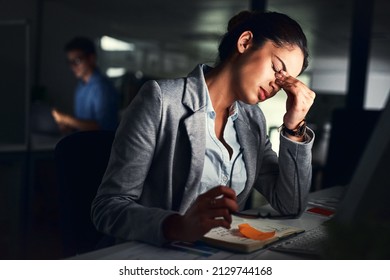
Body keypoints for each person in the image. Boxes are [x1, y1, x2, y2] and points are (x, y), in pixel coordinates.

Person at [91, 11, 316, 246]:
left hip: (217, 256)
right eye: (276, 69)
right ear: (245, 42)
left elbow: (291, 205)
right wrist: (178, 226)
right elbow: (108, 208)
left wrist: (294, 127)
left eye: (286, 81)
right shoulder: (161, 100)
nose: (276, 85)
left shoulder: (253, 121)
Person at [52, 36, 119, 132]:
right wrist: (69, 126)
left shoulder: (102, 87)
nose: (73, 66)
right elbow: (83, 124)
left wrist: (66, 119)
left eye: (77, 60)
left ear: (91, 58)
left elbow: (103, 127)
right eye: (70, 62)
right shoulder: (81, 86)